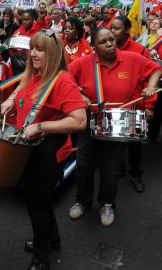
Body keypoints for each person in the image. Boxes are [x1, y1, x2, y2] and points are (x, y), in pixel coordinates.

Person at [1, 29, 87, 270]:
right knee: (39, 201)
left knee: (36, 205)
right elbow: (23, 87)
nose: (33, 54)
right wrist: (10, 99)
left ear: (53, 53)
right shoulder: (35, 73)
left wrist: (40, 125)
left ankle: (41, 257)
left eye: (40, 50)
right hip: (30, 150)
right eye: (32, 49)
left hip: (49, 154)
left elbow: (80, 120)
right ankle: (52, 240)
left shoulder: (62, 80)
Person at [69, 27, 162, 227]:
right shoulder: (83, 63)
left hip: (118, 123)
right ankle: (82, 201)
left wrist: (151, 86)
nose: (110, 44)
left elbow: (156, 68)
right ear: (93, 46)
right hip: (89, 123)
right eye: (103, 42)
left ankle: (108, 203)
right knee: (84, 166)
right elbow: (64, 79)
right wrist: (79, 94)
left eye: (112, 39)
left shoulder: (131, 58)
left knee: (110, 168)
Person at [111, 16, 153, 192]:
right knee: (113, 142)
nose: (112, 32)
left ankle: (135, 174)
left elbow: (150, 78)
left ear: (127, 30)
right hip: (113, 106)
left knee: (134, 145)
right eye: (111, 28)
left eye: (117, 29)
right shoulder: (106, 49)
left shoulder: (139, 50)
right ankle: (118, 169)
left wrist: (149, 105)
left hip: (135, 106)